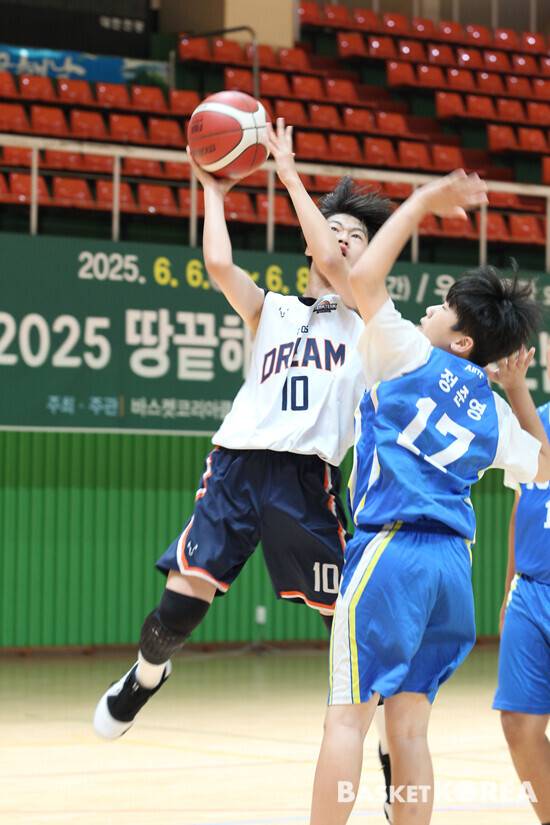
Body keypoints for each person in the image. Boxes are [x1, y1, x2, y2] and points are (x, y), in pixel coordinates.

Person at [93, 119, 392, 739]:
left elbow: (334, 263)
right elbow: (219, 263)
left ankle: (391, 740)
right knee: (179, 606)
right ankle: (146, 675)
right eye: (333, 230)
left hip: (306, 480)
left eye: (355, 236)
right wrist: (213, 191)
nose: (341, 240)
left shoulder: (368, 318)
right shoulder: (272, 309)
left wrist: (288, 172)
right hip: (236, 466)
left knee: (346, 625)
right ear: (308, 242)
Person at [308, 170, 550, 825]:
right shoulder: (494, 412)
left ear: (461, 340)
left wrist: (420, 201)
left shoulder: (408, 351)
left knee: (346, 720)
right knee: (409, 728)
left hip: (391, 551)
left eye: (442, 307)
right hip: (452, 572)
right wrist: (517, 388)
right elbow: (544, 466)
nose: (430, 311)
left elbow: (364, 277)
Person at [493, 347, 550, 825]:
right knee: (518, 722)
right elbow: (522, 505)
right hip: (531, 592)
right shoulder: (537, 420)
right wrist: (509, 586)